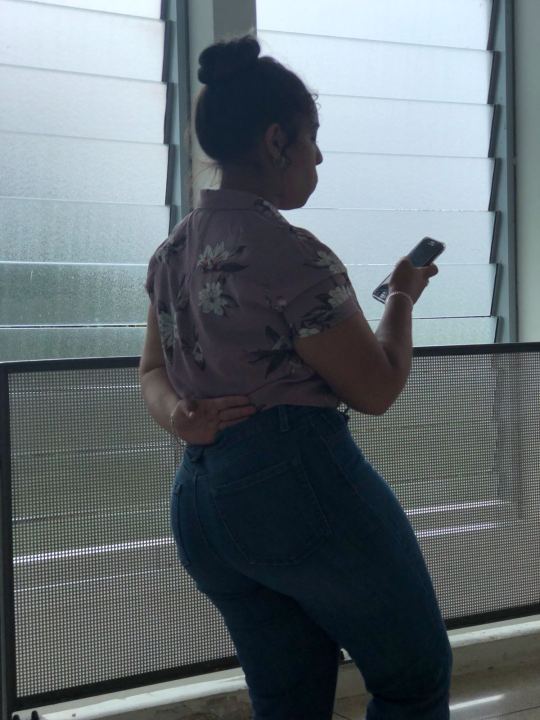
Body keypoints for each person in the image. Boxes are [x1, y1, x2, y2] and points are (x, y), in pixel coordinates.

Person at [139, 35, 452, 720]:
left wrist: (180, 417)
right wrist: (402, 297)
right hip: (295, 486)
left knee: (289, 698)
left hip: (202, 502)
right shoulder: (290, 253)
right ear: (277, 141)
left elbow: (153, 371)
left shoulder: (173, 251)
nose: (319, 159)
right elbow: (376, 388)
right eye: (312, 141)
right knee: (414, 676)